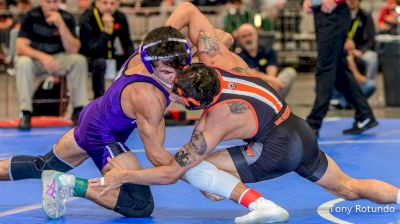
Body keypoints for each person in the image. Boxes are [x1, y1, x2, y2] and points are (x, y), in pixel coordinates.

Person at [86, 3, 400, 224]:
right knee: (348, 188)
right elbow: (189, 9)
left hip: (276, 150)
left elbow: (170, 173)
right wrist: (158, 43)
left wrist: (125, 175)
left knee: (193, 165)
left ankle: (261, 207)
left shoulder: (214, 120)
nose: (174, 101)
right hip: (300, 131)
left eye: (178, 99)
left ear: (197, 104)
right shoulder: (217, 56)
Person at [303, 0, 377, 136]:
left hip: (333, 13)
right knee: (339, 71)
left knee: (325, 68)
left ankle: (314, 122)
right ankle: (364, 114)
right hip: (324, 13)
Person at [15, 0, 88, 130]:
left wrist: (61, 25)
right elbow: (20, 48)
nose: (53, 6)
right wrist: (43, 57)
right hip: (36, 59)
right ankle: (25, 112)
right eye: (48, 2)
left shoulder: (67, 17)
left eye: (55, 2)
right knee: (22, 62)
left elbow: (73, 49)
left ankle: (78, 110)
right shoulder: (30, 16)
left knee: (79, 60)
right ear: (41, 2)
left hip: (59, 59)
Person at [79, 0, 134, 99]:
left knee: (131, 62)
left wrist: (133, 60)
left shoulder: (120, 17)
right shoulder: (87, 17)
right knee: (100, 63)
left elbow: (127, 43)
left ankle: (126, 99)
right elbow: (92, 49)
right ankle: (99, 100)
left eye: (112, 3)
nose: (108, 7)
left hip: (111, 56)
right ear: (97, 3)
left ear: (117, 5)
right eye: (105, 3)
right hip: (90, 57)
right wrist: (106, 31)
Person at [236, 23, 297, 97]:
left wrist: (269, 81)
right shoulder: (238, 57)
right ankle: (272, 99)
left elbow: (272, 72)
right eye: (244, 36)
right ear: (240, 40)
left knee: (290, 72)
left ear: (256, 35)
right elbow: (249, 74)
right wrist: (270, 80)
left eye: (250, 35)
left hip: (271, 85)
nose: (248, 39)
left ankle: (270, 98)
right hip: (253, 89)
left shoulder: (268, 51)